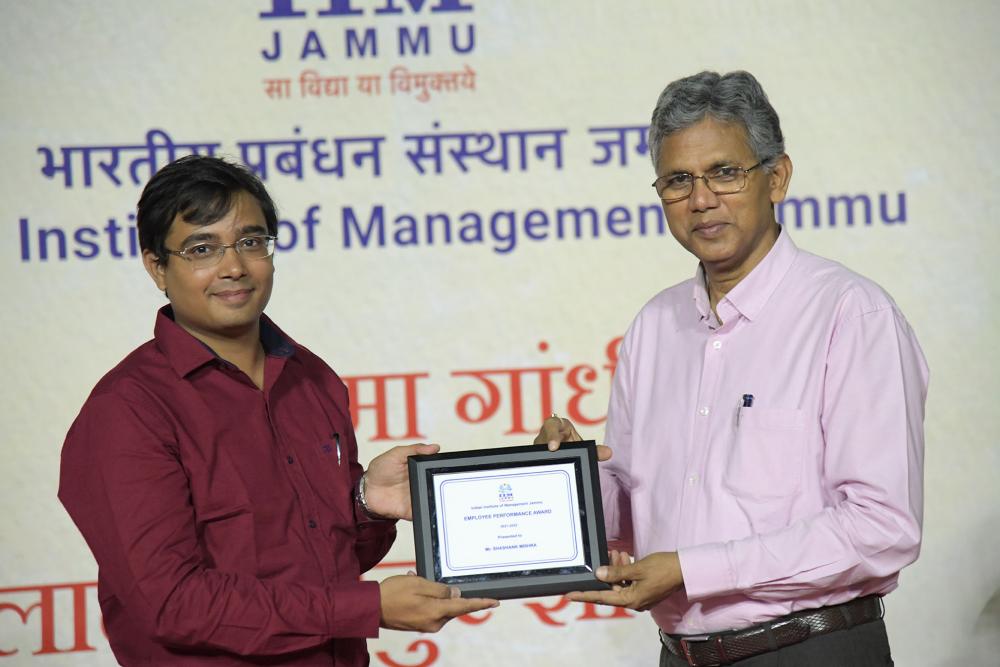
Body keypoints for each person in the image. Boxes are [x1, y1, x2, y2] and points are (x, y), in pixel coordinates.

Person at [537, 71, 928, 666]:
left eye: (724, 172)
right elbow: (638, 508)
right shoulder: (654, 326)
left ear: (777, 177)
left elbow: (881, 528)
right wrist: (567, 481)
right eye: (678, 180)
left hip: (811, 649)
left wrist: (691, 570)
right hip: (682, 654)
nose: (701, 200)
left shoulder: (851, 314)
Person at [58, 155, 497, 666]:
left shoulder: (311, 378)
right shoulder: (127, 411)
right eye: (202, 249)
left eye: (251, 242)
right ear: (157, 267)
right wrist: (367, 607)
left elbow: (325, 561)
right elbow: (174, 604)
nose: (234, 267)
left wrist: (366, 505)